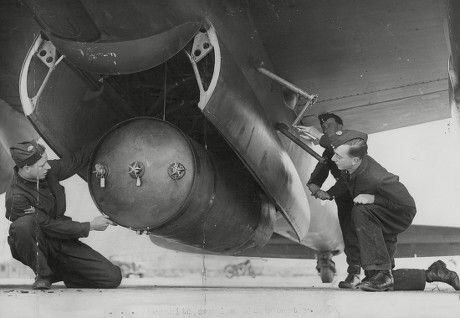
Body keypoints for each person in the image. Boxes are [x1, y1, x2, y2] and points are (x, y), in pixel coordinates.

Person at [5, 140, 122, 290]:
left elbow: (76, 161)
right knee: (23, 225)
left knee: (112, 278)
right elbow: (47, 225)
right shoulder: (16, 196)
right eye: (42, 165)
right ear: (26, 168)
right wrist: (90, 226)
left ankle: (64, 273)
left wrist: (105, 138)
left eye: (46, 162)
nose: (48, 167)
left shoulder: (47, 170)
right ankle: (43, 275)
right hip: (39, 243)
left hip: (62, 240)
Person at [298, 114, 360, 289]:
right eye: (324, 127)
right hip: (345, 198)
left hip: (362, 195)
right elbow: (322, 168)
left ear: (340, 126)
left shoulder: (353, 144)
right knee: (349, 234)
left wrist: (330, 193)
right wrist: (313, 185)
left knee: (368, 233)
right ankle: (355, 273)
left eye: (330, 126)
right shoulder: (329, 152)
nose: (326, 129)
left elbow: (348, 176)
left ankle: (382, 272)